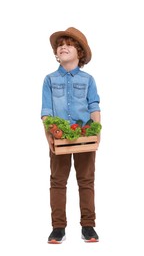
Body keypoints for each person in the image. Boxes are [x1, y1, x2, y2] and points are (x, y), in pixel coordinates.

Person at [41, 27, 101, 244]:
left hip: (84, 136)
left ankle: (88, 225)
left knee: (86, 181)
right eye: (60, 44)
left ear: (80, 52)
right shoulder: (49, 79)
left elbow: (94, 105)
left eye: (69, 44)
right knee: (57, 181)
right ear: (57, 53)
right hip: (59, 139)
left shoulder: (88, 80)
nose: (63, 46)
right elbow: (46, 110)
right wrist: (49, 132)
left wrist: (97, 130)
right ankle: (58, 227)